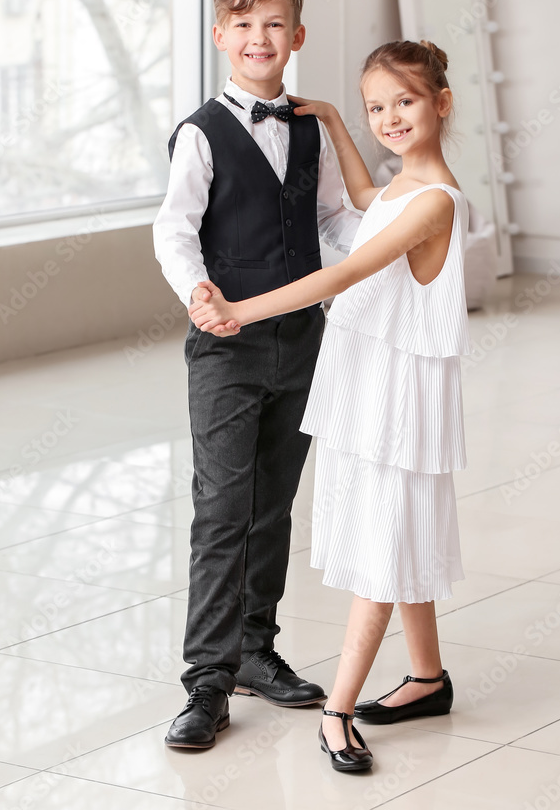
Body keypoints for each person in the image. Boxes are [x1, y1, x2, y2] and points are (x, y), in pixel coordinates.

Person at [189, 39, 470, 772]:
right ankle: (428, 678)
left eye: (403, 102)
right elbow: (361, 202)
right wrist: (341, 126)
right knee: (399, 530)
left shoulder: (433, 202)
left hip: (395, 403)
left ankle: (338, 712)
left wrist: (240, 310)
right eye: (377, 107)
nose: (389, 118)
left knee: (383, 546)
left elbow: (342, 268)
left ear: (441, 103)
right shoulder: (403, 192)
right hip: (373, 385)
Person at [153, 0, 361, 750]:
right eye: (242, 25)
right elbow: (173, 226)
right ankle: (206, 680)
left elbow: (333, 223)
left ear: (296, 36)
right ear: (219, 37)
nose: (258, 38)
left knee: (271, 502)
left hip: (303, 338)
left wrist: (391, 250)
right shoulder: (202, 132)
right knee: (222, 508)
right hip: (226, 344)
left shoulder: (308, 127)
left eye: (273, 24)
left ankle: (253, 649)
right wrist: (197, 290)